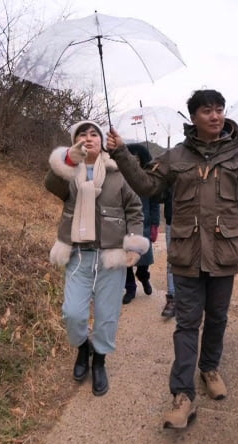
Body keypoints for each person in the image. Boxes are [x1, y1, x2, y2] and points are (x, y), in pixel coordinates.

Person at [106, 89, 238, 429]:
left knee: (219, 317)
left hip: (223, 252)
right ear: (193, 116)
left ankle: (209, 368)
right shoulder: (176, 156)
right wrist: (121, 152)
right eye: (207, 110)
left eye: (220, 109)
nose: (215, 116)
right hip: (186, 252)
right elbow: (147, 186)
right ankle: (182, 396)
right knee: (187, 323)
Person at [44, 120, 150, 397]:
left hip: (110, 254)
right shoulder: (68, 172)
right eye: (83, 134)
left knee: (107, 315)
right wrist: (68, 161)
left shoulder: (119, 172)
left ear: (103, 141)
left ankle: (100, 359)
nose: (89, 138)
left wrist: (133, 244)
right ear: (75, 140)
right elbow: (51, 185)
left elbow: (135, 210)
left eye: (94, 134)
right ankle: (83, 349)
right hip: (78, 253)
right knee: (73, 312)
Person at [122, 143, 160, 304]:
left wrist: (154, 224)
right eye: (130, 158)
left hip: (144, 222)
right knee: (125, 260)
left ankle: (143, 276)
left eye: (136, 158)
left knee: (144, 259)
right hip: (123, 224)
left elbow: (155, 202)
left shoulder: (149, 178)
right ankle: (130, 288)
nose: (133, 162)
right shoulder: (120, 176)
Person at [160, 186, 176, 318]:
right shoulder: (170, 166)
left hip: (194, 221)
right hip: (172, 220)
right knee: (172, 260)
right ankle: (172, 298)